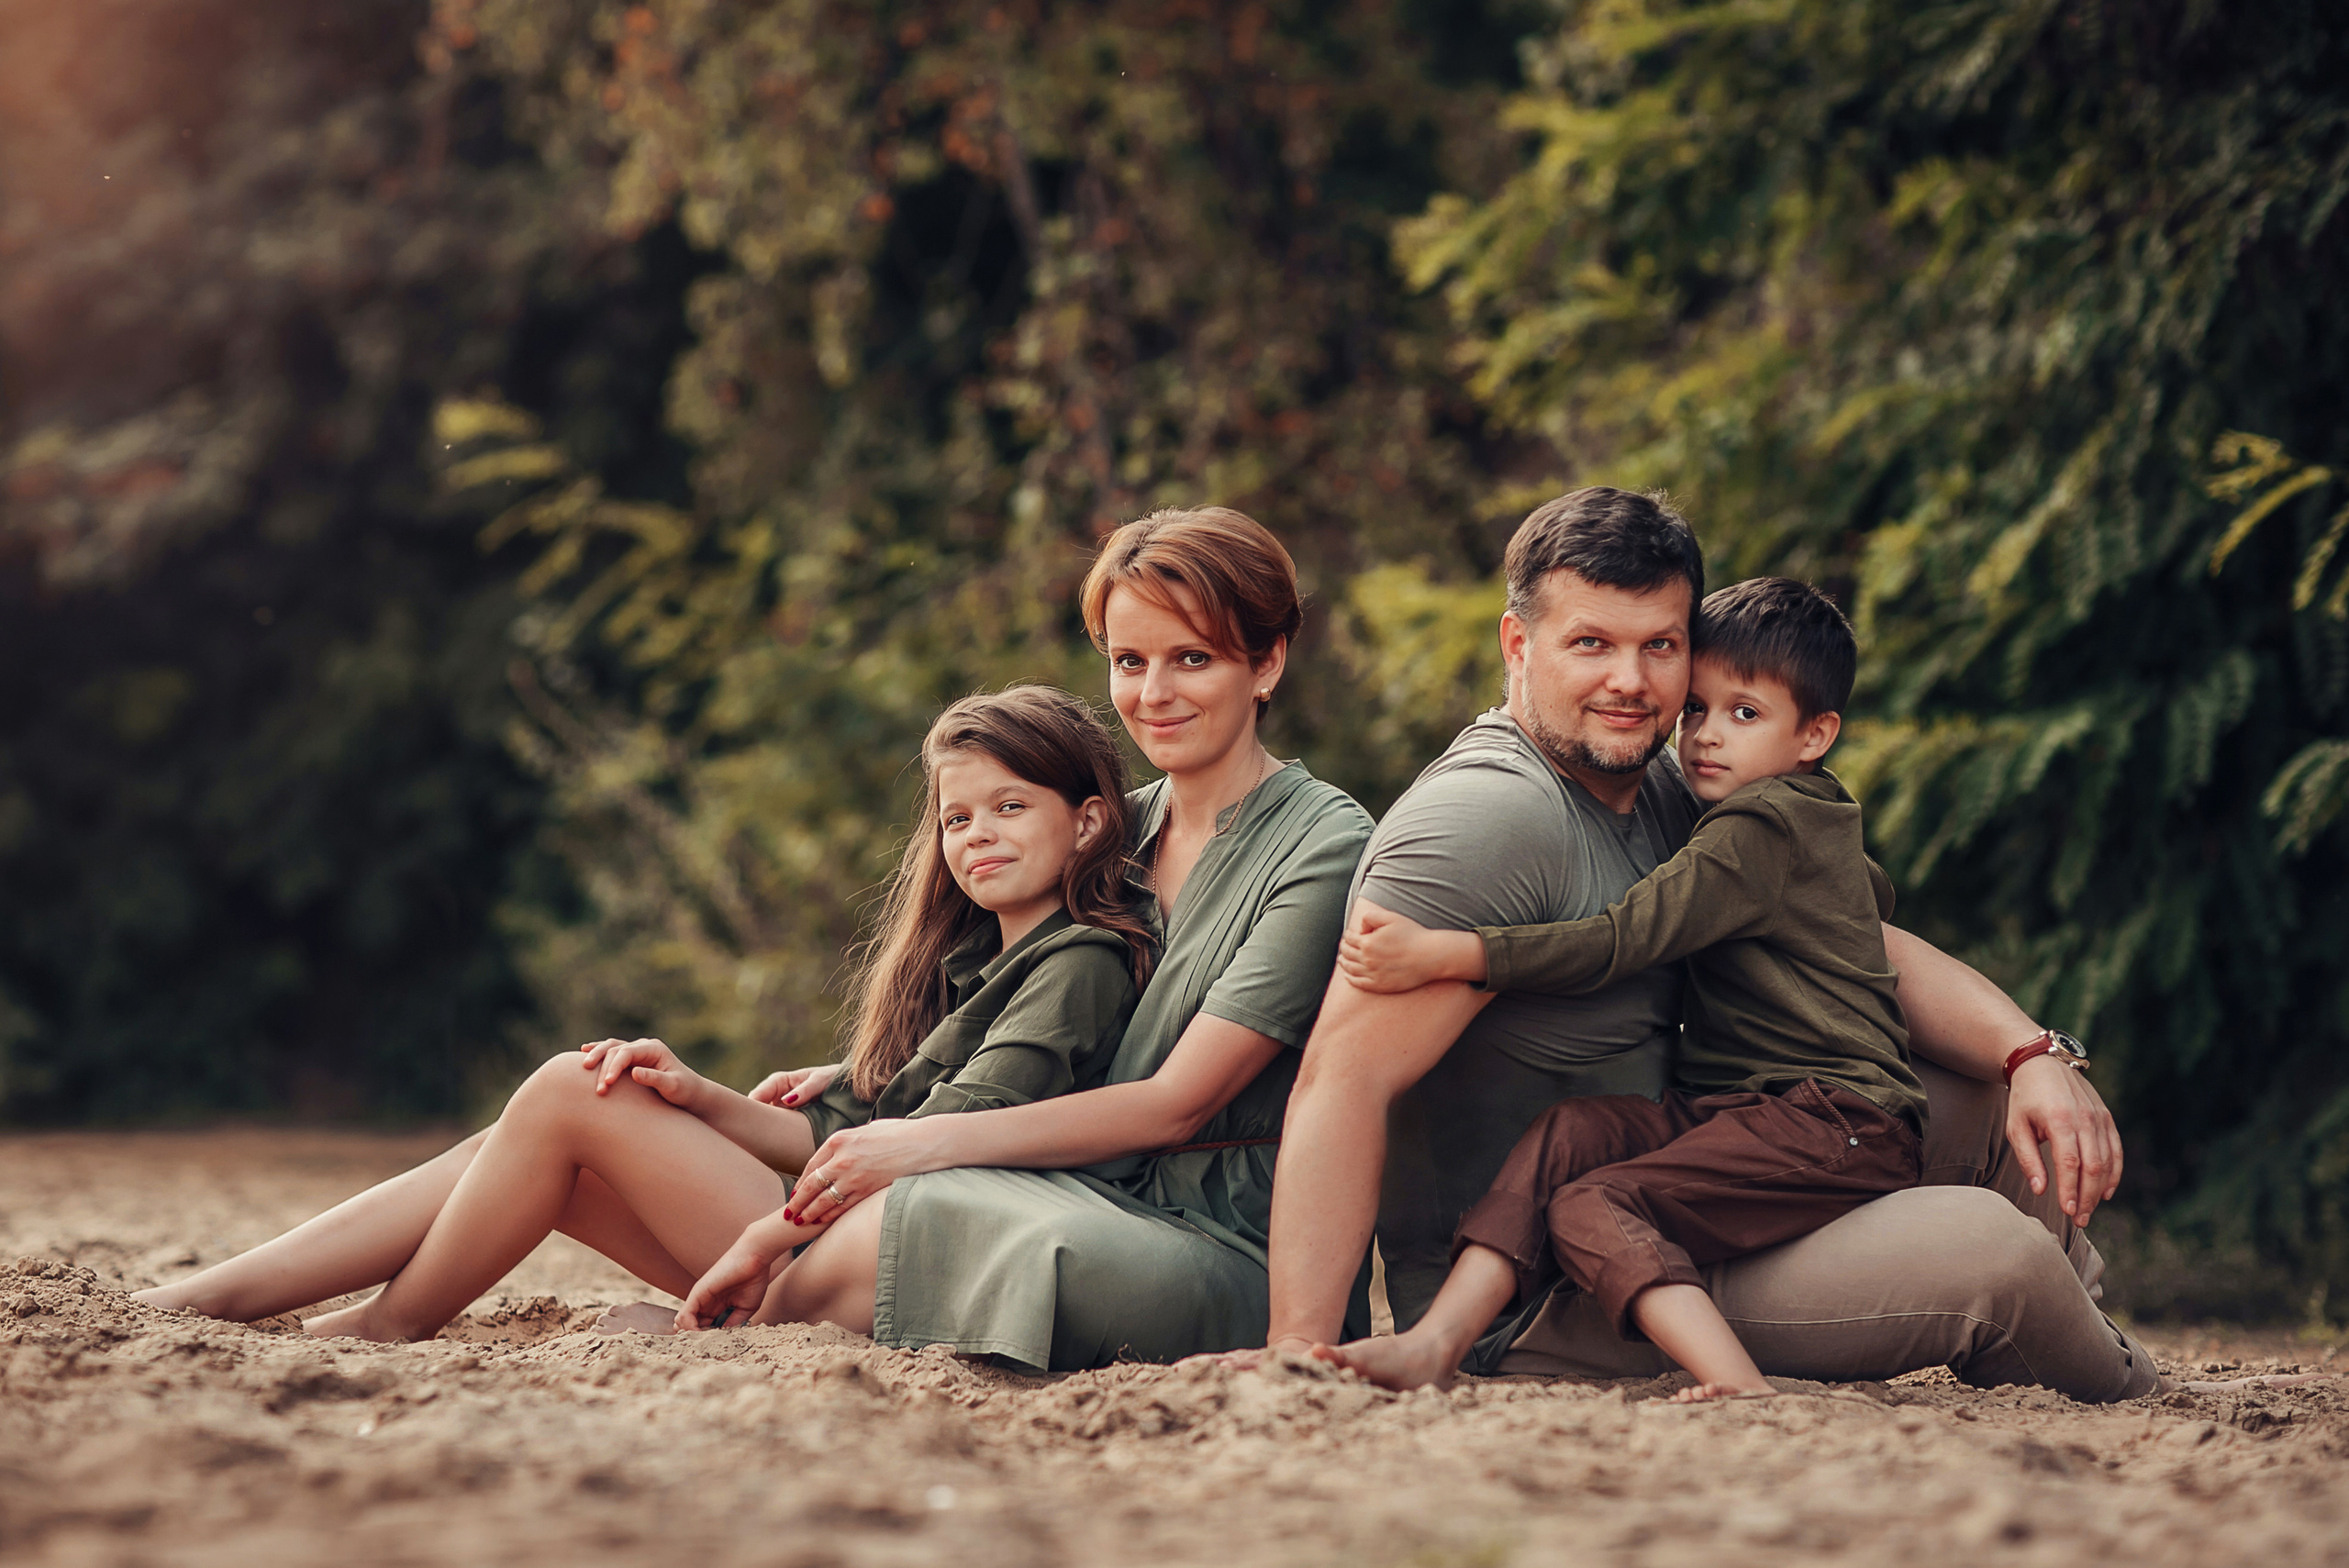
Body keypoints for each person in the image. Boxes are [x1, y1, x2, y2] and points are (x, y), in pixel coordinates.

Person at [1258, 486, 2168, 1402]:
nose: (1631, 680)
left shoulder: (1677, 781)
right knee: (1994, 1253)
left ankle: (2087, 1339)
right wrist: (1300, 1344)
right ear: (1517, 644)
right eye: (1591, 643)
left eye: (1659, 645)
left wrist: (2032, 1052)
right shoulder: (1484, 819)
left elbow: (1859, 941)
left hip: (1705, 1164)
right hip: (1558, 1285)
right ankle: (2125, 1381)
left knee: (1989, 1101)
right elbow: (1341, 1078)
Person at [135, 685, 1151, 1341]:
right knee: (539, 1139)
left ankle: (363, 1323)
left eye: (1010, 806)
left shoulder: (1079, 959)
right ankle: (236, 1301)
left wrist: (768, 1230)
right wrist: (698, 1094)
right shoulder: (982, 959)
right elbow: (843, 1129)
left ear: (1089, 820)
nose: (976, 835)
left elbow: (942, 1142)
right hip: (845, 1231)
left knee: (569, 1091)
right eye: (957, 816)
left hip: (886, 1254)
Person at [633, 506, 1374, 1369]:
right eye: (1129, 661)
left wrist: (916, 1142)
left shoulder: (1324, 846)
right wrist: (873, 1080)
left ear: (1267, 661)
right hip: (1066, 1192)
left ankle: (720, 1340)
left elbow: (1173, 1103)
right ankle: (708, 1317)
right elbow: (1037, 1028)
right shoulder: (1108, 828)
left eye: (1192, 659)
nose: (1153, 694)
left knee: (916, 1205)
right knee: (613, 1112)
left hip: (1224, 1245)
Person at [1321, 576, 1927, 1396]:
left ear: (1815, 733)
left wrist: (1452, 953)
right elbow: (1873, 891)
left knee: (1592, 1200)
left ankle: (1739, 1387)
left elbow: (1623, 938)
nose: (1707, 736)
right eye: (1697, 710)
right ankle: (1437, 1341)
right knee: (1570, 1131)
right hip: (1753, 1107)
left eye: (1745, 714)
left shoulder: (1757, 826)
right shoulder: (1810, 811)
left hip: (1836, 1120)